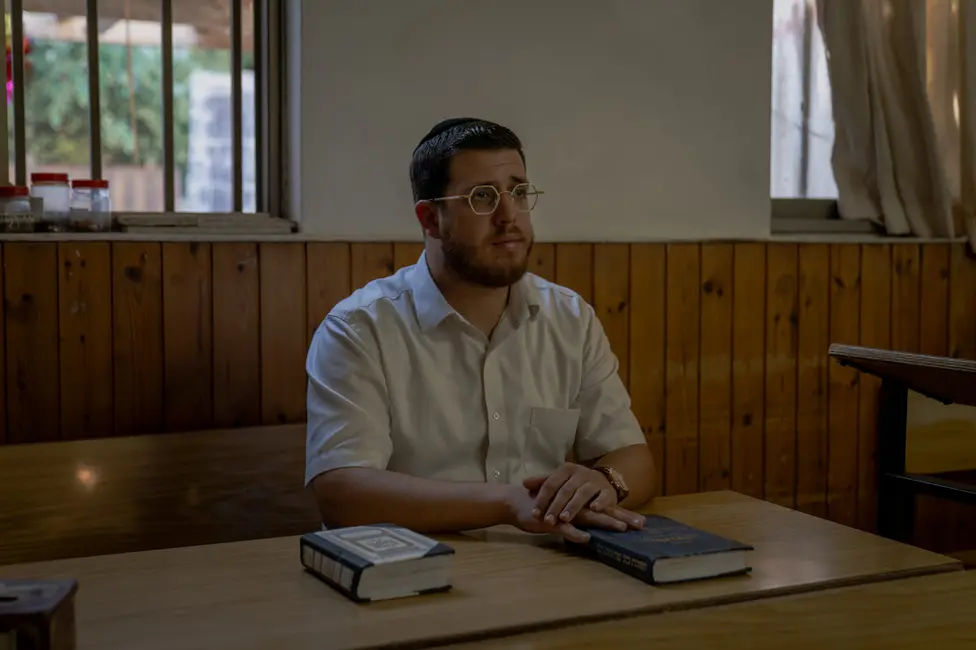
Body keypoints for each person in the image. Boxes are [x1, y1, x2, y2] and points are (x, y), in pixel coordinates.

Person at [305, 117, 656, 543]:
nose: (509, 216)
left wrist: (606, 483)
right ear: (431, 219)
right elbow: (342, 493)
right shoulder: (359, 329)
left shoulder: (568, 318)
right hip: (407, 577)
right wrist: (506, 503)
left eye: (519, 192)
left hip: (547, 571)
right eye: (482, 197)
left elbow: (633, 456)